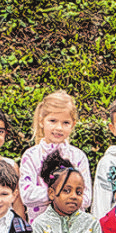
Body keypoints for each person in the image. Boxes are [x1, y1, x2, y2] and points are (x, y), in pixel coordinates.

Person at [19, 91, 93, 220]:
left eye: (65, 123)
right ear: (42, 122)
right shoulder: (31, 156)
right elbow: (26, 195)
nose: (59, 128)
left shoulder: (78, 157)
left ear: (73, 124)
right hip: (41, 230)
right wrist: (63, 193)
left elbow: (86, 199)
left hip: (73, 230)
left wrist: (58, 194)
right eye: (52, 121)